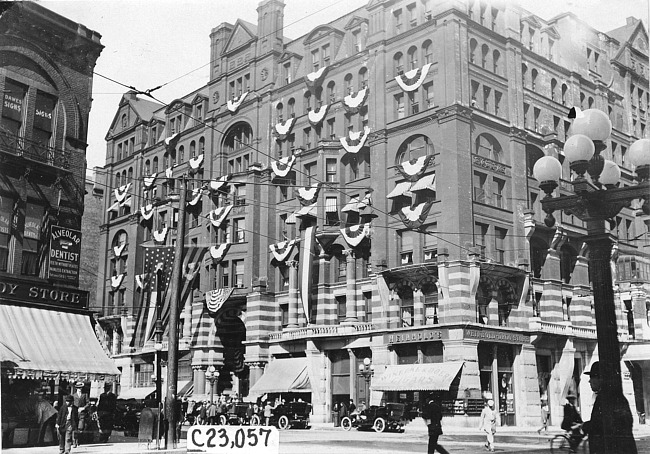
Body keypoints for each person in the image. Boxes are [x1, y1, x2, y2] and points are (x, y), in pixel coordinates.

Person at [581, 361, 637, 454]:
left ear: (601, 379)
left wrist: (586, 426)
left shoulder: (606, 398)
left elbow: (603, 424)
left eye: (592, 377)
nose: (589, 381)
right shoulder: (611, 395)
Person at [72, 382, 89, 447]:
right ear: (76, 388)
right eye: (78, 388)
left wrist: (83, 408)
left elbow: (88, 403)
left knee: (80, 427)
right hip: (75, 413)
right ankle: (74, 441)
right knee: (74, 427)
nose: (80, 389)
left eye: (81, 388)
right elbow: (72, 403)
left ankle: (78, 440)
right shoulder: (74, 395)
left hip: (82, 413)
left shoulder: (85, 395)